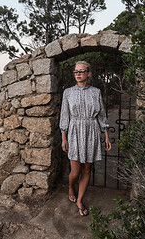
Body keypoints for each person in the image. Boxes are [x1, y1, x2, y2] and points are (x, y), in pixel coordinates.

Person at [59, 61, 112, 216]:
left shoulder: (96, 92)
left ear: (88, 73)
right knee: (75, 171)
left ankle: (80, 200)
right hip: (75, 131)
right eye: (76, 71)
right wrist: (64, 137)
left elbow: (101, 114)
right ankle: (71, 187)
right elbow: (64, 116)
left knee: (87, 169)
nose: (78, 74)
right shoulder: (67, 92)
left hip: (92, 131)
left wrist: (106, 135)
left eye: (81, 71)